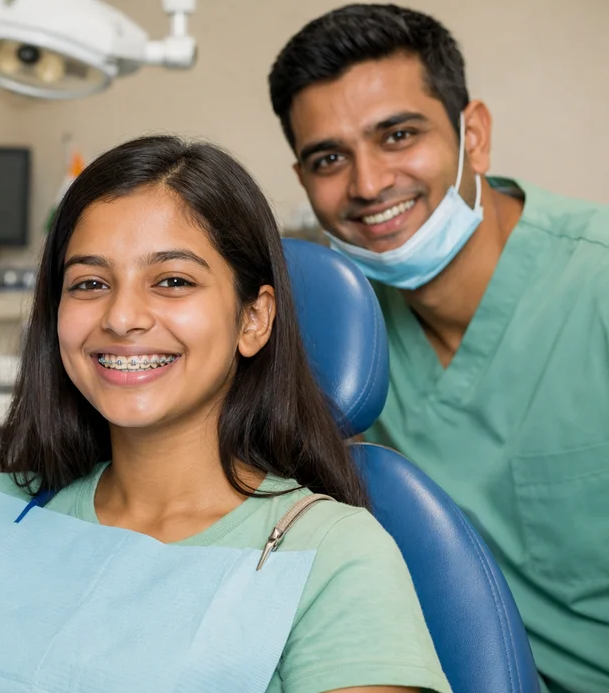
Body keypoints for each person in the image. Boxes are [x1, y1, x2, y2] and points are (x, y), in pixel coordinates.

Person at [0, 136, 452, 693]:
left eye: (172, 280)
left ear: (254, 319)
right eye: (89, 283)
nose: (121, 317)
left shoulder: (335, 556)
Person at [268, 5, 609, 692]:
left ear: (472, 135)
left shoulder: (594, 284)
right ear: (303, 179)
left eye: (398, 135)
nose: (367, 185)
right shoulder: (340, 334)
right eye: (329, 158)